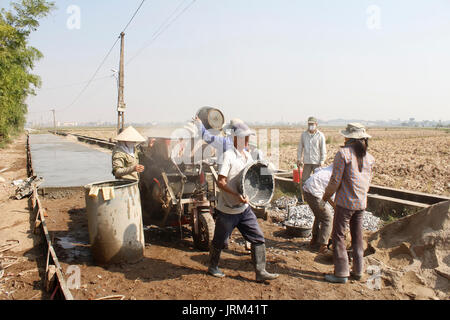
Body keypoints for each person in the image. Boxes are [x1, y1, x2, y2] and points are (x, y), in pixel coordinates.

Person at [207, 121, 279, 283]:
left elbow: (253, 174)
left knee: (258, 238)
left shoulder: (247, 155)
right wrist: (236, 195)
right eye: (243, 138)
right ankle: (212, 267)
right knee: (220, 241)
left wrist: (267, 172)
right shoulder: (228, 156)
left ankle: (260, 271)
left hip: (244, 208)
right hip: (228, 209)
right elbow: (221, 182)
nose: (246, 141)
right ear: (234, 139)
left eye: (247, 138)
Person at [321, 123, 374, 284]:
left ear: (349, 138)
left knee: (338, 235)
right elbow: (368, 182)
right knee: (358, 236)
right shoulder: (370, 158)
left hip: (345, 203)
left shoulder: (343, 154)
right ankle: (358, 271)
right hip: (361, 203)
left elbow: (335, 180)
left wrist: (326, 196)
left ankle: (341, 273)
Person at [302, 165, 335, 254]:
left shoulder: (330, 168)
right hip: (314, 193)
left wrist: (334, 206)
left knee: (319, 214)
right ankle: (323, 247)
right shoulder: (337, 174)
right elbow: (331, 195)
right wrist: (336, 208)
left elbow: (317, 170)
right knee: (328, 218)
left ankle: (314, 240)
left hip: (308, 189)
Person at [297, 117, 327, 199]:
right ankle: (304, 196)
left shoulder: (320, 135)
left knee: (317, 180)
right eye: (309, 124)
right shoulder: (304, 135)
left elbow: (323, 149)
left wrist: (322, 160)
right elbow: (300, 148)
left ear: (316, 124)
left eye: (312, 124)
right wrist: (299, 159)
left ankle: (317, 197)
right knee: (304, 180)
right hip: (307, 161)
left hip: (317, 162)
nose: (311, 126)